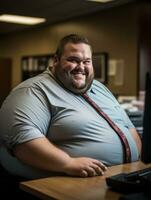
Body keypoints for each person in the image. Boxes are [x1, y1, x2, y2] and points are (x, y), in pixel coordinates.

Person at [0, 34, 141, 180]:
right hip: (66, 184)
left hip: (124, 177)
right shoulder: (33, 90)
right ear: (56, 60)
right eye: (73, 60)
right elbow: (23, 140)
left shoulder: (100, 88)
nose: (81, 67)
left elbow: (128, 127)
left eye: (87, 61)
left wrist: (135, 161)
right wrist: (68, 163)